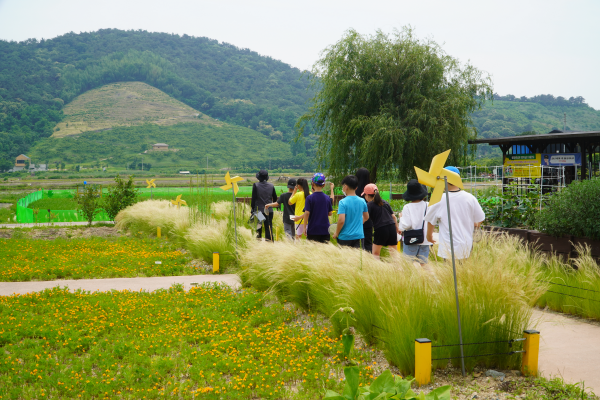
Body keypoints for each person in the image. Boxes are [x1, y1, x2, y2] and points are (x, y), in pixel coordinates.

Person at [424, 166, 485, 260]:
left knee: (450, 272)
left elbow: (430, 221)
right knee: (464, 272)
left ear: (442, 179)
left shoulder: (438, 199)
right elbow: (479, 220)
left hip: (448, 246)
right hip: (466, 245)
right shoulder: (470, 198)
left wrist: (429, 236)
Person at [399, 179, 432, 265]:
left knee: (407, 265)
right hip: (425, 239)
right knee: (424, 264)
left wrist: (401, 217)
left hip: (411, 240)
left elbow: (406, 225)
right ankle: (429, 278)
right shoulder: (428, 205)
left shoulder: (407, 207)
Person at [362, 183, 399, 259]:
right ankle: (399, 269)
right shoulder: (385, 202)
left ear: (367, 195)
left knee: (375, 253)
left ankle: (377, 269)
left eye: (364, 195)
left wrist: (358, 225)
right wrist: (397, 228)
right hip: (392, 227)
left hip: (381, 228)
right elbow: (393, 217)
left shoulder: (369, 205)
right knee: (394, 253)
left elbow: (365, 217)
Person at [333, 175, 369, 248]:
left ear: (346, 187)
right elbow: (366, 217)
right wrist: (357, 224)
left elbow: (341, 220)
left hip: (345, 237)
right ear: (356, 187)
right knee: (358, 259)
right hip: (359, 236)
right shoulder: (362, 201)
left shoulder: (342, 202)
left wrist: (336, 233)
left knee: (345, 259)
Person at [301, 173, 333, 243]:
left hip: (313, 229)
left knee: (312, 252)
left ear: (313, 184)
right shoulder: (327, 198)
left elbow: (307, 213)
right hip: (325, 229)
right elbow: (330, 213)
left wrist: (304, 227)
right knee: (324, 252)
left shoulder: (309, 198)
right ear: (324, 185)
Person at [250, 169, 277, 241]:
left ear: (259, 177)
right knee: (268, 228)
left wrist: (252, 209)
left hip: (259, 210)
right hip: (269, 211)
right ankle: (269, 244)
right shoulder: (271, 186)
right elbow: (275, 198)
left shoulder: (255, 185)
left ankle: (258, 243)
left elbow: (254, 199)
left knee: (258, 227)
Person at [355, 167, 373, 252]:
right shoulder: (371, 189)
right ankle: (369, 261)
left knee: (355, 243)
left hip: (356, 219)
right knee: (368, 242)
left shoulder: (355, 190)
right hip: (368, 219)